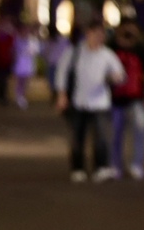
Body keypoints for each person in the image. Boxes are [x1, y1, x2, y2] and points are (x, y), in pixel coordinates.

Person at [54, 22, 125, 183]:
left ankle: (101, 167)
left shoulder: (107, 54)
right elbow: (62, 73)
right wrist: (62, 95)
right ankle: (78, 168)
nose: (98, 38)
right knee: (78, 137)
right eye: (95, 34)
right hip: (79, 101)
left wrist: (116, 77)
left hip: (100, 102)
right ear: (88, 34)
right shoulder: (75, 52)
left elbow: (120, 74)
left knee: (101, 137)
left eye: (101, 35)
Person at [107, 24, 144, 180]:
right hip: (115, 98)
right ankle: (115, 165)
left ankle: (137, 164)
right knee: (115, 132)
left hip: (136, 98)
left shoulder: (140, 50)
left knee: (141, 127)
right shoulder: (111, 49)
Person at [12, 24, 40, 108]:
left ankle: (22, 95)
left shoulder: (32, 40)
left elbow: (36, 51)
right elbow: (15, 51)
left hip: (28, 64)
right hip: (20, 63)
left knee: (25, 81)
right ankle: (19, 96)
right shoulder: (17, 40)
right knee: (20, 81)